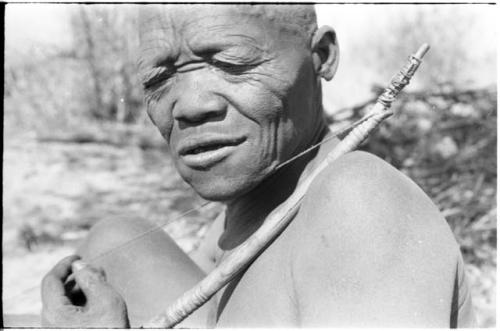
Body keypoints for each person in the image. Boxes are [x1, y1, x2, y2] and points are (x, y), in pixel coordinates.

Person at [41, 4, 475, 328]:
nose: (190, 106)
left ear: (321, 57)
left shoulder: (359, 202)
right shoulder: (232, 228)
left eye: (231, 65)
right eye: (159, 80)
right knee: (117, 242)